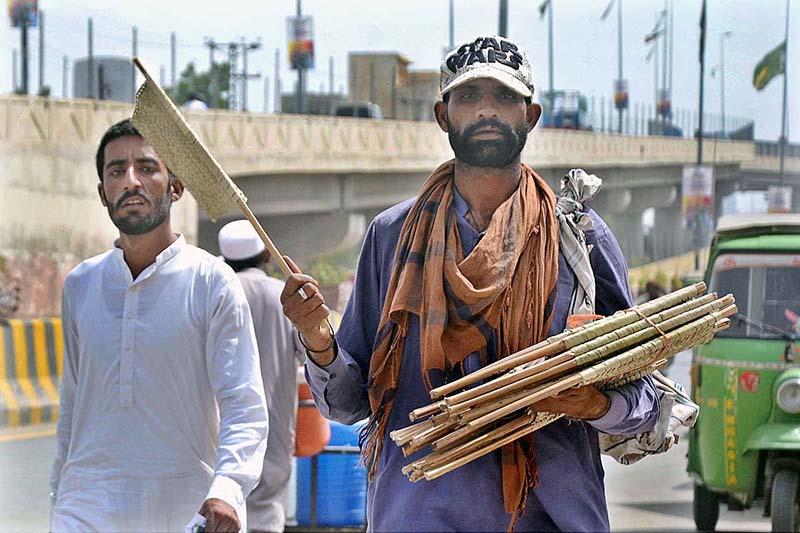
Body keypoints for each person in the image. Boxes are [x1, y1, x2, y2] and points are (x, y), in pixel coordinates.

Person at [280, 36, 660, 531]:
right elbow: (351, 403)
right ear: (444, 116)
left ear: (531, 116)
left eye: (504, 98)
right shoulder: (393, 238)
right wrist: (316, 338)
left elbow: (645, 401)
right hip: (416, 516)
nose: (487, 111)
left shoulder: (578, 240)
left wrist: (593, 403)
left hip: (550, 518)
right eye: (469, 97)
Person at [50, 119, 268, 532]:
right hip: (84, 508)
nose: (131, 181)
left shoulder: (212, 282)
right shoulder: (81, 284)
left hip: (184, 509)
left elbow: (244, 404)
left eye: (147, 167)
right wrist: (57, 496)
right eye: (117, 171)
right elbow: (73, 406)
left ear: (176, 187)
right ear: (103, 193)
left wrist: (227, 488)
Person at [218, 220, 305, 533]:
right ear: (266, 256)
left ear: (225, 259)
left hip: (222, 421)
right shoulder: (283, 296)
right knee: (267, 509)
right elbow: (313, 355)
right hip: (274, 425)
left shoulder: (218, 293)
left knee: (225, 501)